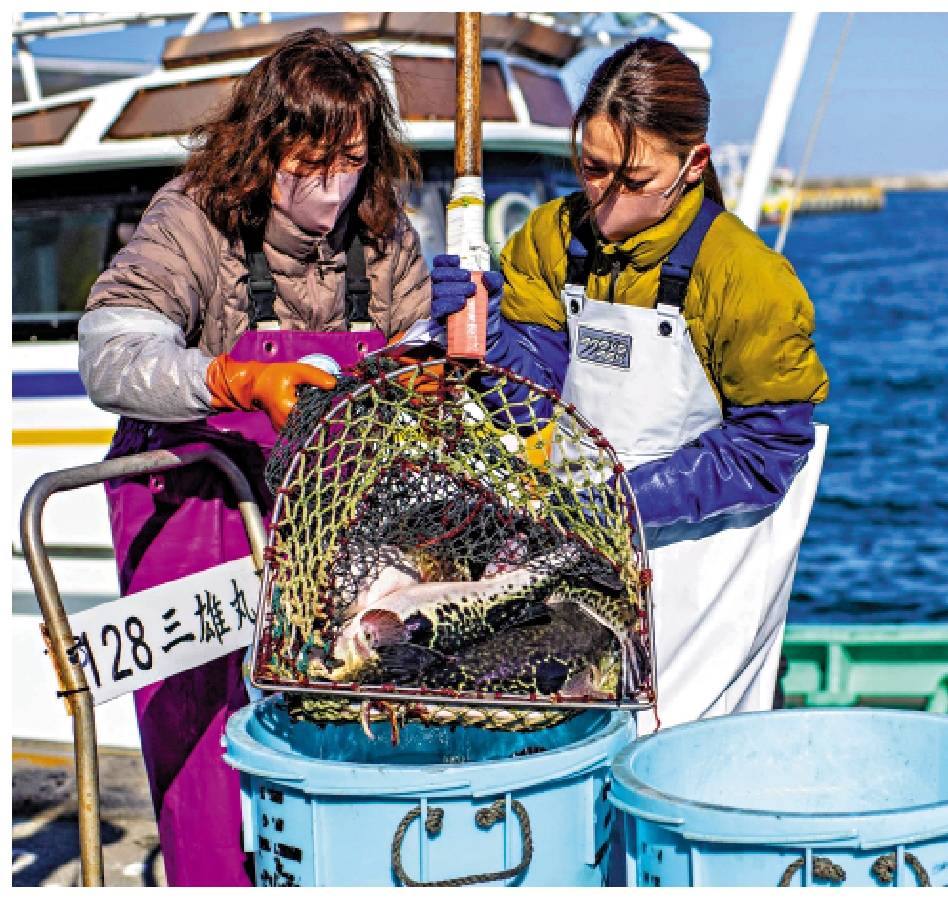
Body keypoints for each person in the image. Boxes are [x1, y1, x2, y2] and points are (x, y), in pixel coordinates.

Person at [79, 29, 429, 886]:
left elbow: (417, 337)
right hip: (193, 516)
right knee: (203, 758)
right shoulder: (191, 217)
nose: (331, 185)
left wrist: (423, 368)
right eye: (310, 160)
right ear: (264, 146)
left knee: (348, 729)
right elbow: (110, 348)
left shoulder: (383, 234)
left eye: (349, 160)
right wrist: (231, 378)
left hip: (335, 530)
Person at [427, 38, 829, 734]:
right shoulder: (552, 238)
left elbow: (768, 450)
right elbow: (528, 405)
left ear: (693, 163)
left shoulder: (747, 278)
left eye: (634, 178)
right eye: (591, 169)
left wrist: (623, 501)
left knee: (673, 759)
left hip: (698, 576)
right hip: (570, 547)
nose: (606, 199)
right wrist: (484, 333)